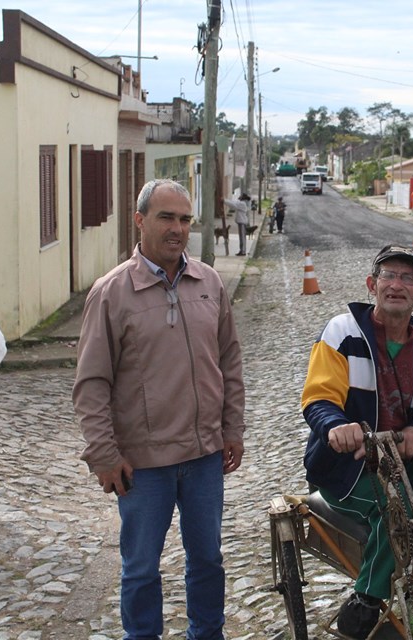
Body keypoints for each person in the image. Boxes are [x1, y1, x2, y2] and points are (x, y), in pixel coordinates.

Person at [73, 179, 246, 640]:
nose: (177, 228)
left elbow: (228, 360)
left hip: (205, 456)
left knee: (208, 560)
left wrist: (233, 428)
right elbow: (91, 383)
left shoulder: (209, 282)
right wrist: (104, 455)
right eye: (166, 217)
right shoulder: (111, 293)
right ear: (140, 220)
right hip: (143, 465)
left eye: (185, 219)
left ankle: (207, 634)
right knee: (141, 568)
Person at [301, 245, 413, 640]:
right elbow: (318, 399)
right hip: (345, 466)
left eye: (408, 278)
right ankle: (368, 598)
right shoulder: (342, 333)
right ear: (372, 285)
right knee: (398, 509)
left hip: (399, 461)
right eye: (389, 275)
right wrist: (337, 426)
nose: (397, 285)